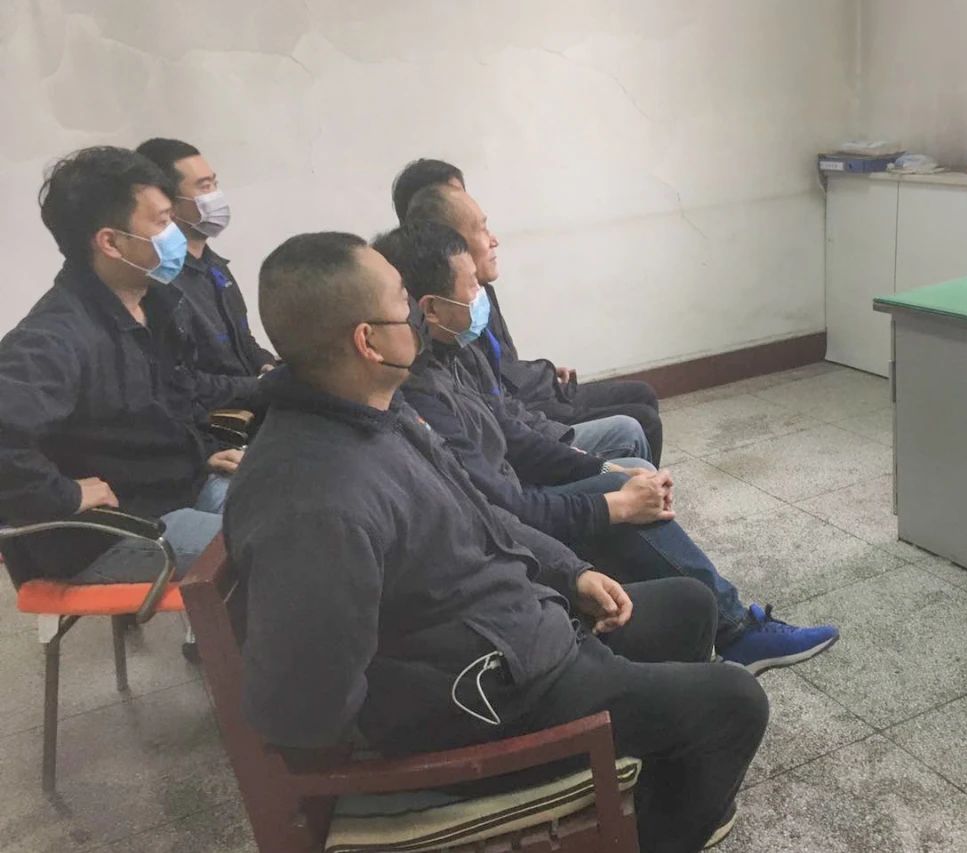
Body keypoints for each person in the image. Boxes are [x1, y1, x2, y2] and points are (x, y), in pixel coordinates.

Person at [227, 230, 768, 852]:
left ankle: (651, 791)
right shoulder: (315, 501)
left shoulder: (377, 411)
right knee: (735, 703)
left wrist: (568, 573)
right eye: (402, 300)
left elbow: (481, 511)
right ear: (368, 341)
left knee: (690, 606)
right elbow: (305, 712)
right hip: (486, 697)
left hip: (516, 634)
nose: (415, 314)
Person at [373, 222, 840, 675]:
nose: (480, 296)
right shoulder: (421, 396)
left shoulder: (453, 355)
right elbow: (503, 510)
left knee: (627, 474)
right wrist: (613, 503)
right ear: (430, 309)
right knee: (624, 489)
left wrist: (603, 469)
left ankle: (709, 614)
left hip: (518, 496)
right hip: (512, 533)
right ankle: (735, 631)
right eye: (472, 287)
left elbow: (515, 436)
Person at [0, 147, 240, 583]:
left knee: (307, 506)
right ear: (110, 242)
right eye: (162, 223)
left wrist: (202, 450)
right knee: (285, 545)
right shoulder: (53, 339)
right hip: (114, 531)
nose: (175, 235)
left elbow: (169, 401)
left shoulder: (157, 303)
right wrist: (65, 495)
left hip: (177, 488)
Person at [400, 164, 665, 462]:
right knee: (634, 427)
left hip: (524, 419)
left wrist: (546, 373)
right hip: (525, 424)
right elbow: (502, 421)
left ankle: (642, 485)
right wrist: (581, 460)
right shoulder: (449, 332)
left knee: (639, 404)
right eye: (481, 227)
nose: (494, 239)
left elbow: (504, 371)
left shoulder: (477, 299)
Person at [137, 138, 275, 406]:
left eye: (214, 184)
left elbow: (243, 342)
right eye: (204, 187)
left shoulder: (215, 267)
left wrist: (266, 365)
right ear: (167, 202)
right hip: (215, 420)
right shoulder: (159, 280)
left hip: (252, 403)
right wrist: (258, 387)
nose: (216, 196)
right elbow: (178, 381)